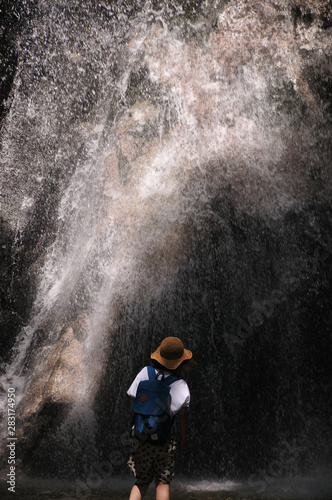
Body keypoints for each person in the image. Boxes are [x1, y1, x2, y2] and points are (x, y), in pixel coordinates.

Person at [127, 336, 194, 500]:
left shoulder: (145, 372)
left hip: (140, 436)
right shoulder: (181, 386)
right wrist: (183, 439)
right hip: (164, 440)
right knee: (162, 483)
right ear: (179, 362)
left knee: (141, 481)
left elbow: (134, 397)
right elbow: (182, 417)